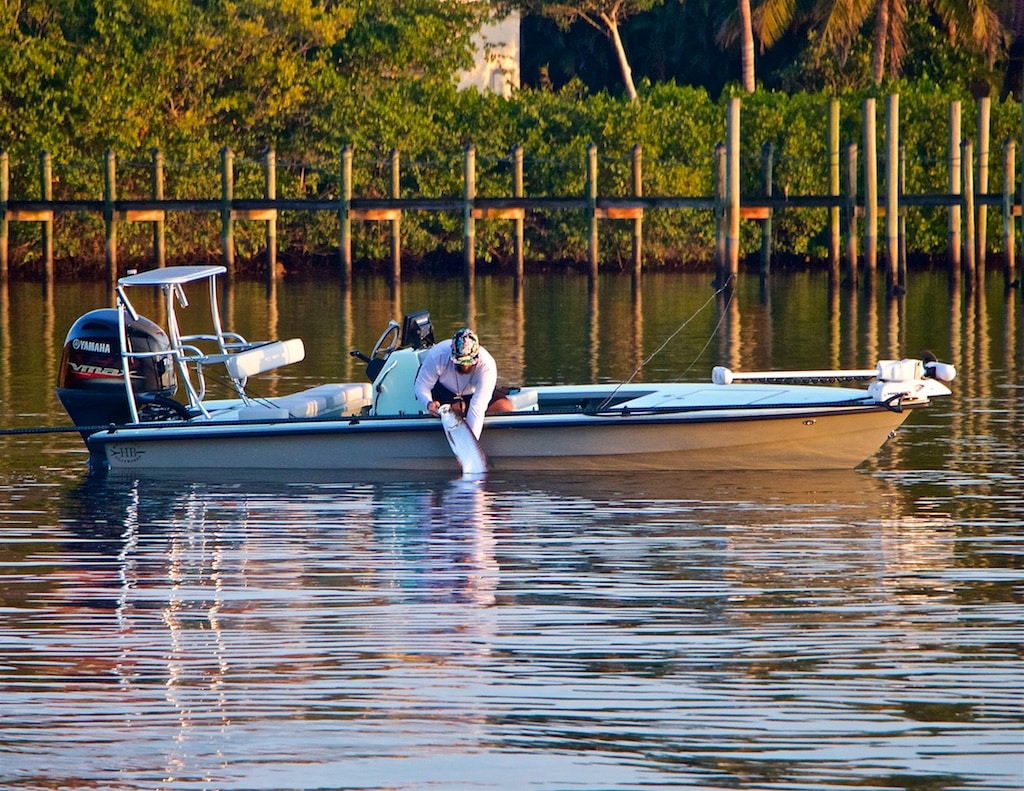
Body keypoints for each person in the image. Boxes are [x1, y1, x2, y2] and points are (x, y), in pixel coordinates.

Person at [414, 328, 513, 439]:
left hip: (472, 394)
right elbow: (421, 385)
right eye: (460, 362)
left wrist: (469, 445)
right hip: (444, 391)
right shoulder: (438, 354)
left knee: (505, 407)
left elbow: (478, 407)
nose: (464, 366)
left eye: (468, 363)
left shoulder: (487, 365)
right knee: (451, 408)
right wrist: (428, 403)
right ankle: (451, 413)